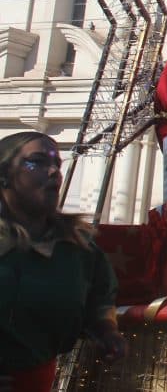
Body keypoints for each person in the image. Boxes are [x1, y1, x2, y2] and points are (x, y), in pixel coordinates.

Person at [0, 131, 126, 391]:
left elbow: (100, 299)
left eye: (56, 164)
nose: (53, 172)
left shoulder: (78, 250)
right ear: (4, 176)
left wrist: (106, 332)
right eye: (37, 162)